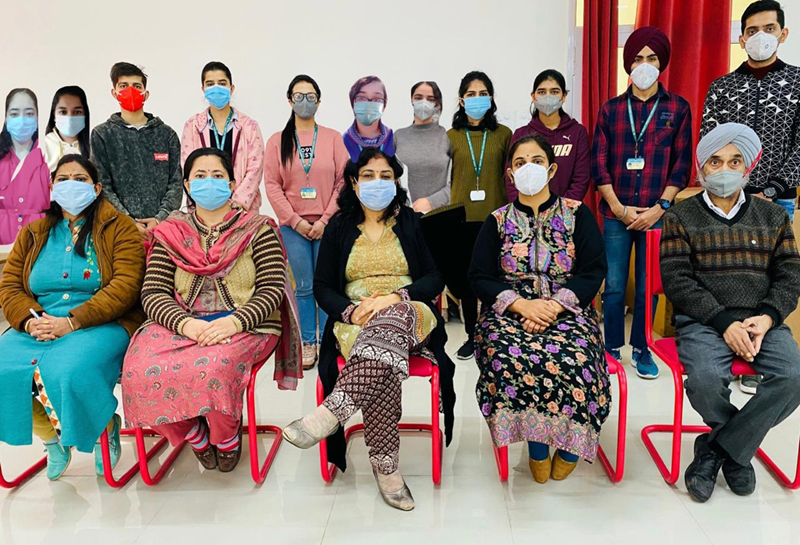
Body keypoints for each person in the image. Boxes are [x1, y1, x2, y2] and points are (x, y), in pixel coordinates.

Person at [282, 148, 456, 512]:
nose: (378, 183)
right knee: (383, 365)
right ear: (353, 182)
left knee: (391, 322)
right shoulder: (340, 227)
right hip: (356, 319)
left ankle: (331, 413)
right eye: (369, 175)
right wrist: (349, 310)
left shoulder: (408, 220)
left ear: (396, 181)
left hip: (410, 311)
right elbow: (323, 286)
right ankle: (386, 469)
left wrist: (395, 296)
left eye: (386, 176)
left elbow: (434, 276)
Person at [122, 148, 302, 474]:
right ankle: (192, 431)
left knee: (215, 367)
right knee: (136, 369)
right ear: (187, 185)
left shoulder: (257, 227)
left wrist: (235, 322)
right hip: (182, 323)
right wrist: (186, 324)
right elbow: (153, 293)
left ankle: (226, 437)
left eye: (218, 176)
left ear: (232, 184)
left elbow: (272, 289)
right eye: (200, 176)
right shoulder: (171, 232)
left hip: (248, 324)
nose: (209, 182)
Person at [660, 123, 800, 503]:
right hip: (705, 321)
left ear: (747, 166)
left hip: (762, 321)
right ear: (702, 169)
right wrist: (724, 323)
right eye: (716, 161)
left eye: (734, 161)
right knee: (704, 378)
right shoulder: (680, 217)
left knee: (794, 374)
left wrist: (768, 317)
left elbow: (791, 275)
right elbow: (678, 282)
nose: (725, 169)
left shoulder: (773, 217)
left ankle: (718, 449)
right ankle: (739, 451)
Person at [470, 135, 610, 483]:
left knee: (577, 359)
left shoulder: (578, 214)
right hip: (509, 310)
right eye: (520, 163)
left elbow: (593, 270)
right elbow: (479, 276)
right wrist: (519, 305)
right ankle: (535, 444)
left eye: (536, 161)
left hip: (567, 309)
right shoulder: (497, 221)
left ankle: (568, 447)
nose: (527, 168)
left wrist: (553, 307)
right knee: (510, 356)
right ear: (509, 173)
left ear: (550, 170)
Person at [0, 154, 145, 480]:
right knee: (4, 372)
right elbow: (9, 286)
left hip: (102, 323)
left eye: (80, 180)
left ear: (96, 188)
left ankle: (102, 428)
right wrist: (27, 320)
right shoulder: (34, 233)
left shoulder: (119, 227)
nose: (71, 186)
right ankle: (52, 440)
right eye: (63, 180)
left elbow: (126, 285)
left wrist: (73, 321)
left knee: (68, 370)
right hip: (37, 325)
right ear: (51, 188)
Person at [700, 0, 799, 395]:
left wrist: (772, 190)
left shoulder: (796, 83)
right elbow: (710, 145)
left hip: (776, 202)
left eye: (769, 29)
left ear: (783, 34)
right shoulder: (723, 87)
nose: (761, 37)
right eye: (753, 30)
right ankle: (727, 345)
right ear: (742, 39)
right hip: (725, 197)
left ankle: (760, 349)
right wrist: (727, 185)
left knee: (768, 276)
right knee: (726, 274)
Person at [592, 26, 692, 379]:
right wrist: (618, 208)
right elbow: (598, 163)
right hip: (616, 213)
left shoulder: (677, 108)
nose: (645, 64)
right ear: (627, 64)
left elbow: (681, 165)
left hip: (657, 214)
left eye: (651, 58)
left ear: (661, 63)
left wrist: (659, 209)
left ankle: (642, 349)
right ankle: (611, 348)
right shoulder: (611, 110)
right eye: (638, 58)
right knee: (616, 283)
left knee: (648, 285)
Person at [264, 74, 348, 370]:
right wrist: (296, 221)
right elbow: (272, 185)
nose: (305, 102)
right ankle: (308, 342)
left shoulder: (333, 138)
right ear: (289, 101)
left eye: (310, 96)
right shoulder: (277, 141)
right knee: (303, 286)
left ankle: (329, 340)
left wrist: (326, 219)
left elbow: (343, 181)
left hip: (329, 225)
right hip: (293, 227)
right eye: (299, 96)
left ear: (319, 101)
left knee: (326, 285)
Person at [448, 71, 512, 360]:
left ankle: (490, 334)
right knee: (467, 281)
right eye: (471, 94)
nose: (477, 99)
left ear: (492, 98)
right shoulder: (450, 137)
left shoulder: (504, 135)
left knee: (492, 278)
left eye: (482, 93)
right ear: (461, 100)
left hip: (494, 217)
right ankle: (471, 336)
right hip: (460, 218)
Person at [91, 62, 183, 238]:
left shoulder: (166, 134)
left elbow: (176, 182)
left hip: (162, 230)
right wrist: (128, 221)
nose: (130, 91)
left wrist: (159, 219)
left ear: (146, 94)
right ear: (114, 92)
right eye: (123, 86)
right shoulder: (102, 134)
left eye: (136, 86)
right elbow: (103, 185)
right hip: (119, 229)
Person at [181, 61, 265, 211]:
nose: (216, 88)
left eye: (222, 83)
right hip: (203, 209)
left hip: (242, 210)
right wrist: (204, 201)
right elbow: (188, 166)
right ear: (203, 89)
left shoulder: (249, 126)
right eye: (210, 84)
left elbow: (255, 168)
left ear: (231, 88)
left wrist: (236, 203)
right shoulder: (192, 125)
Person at [507, 69, 591, 201]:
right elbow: (511, 178)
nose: (548, 96)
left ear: (563, 97)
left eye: (554, 92)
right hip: (527, 211)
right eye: (541, 92)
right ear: (533, 97)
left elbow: (581, 178)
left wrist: (562, 210)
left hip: (566, 212)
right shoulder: (521, 134)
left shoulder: (577, 133)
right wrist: (522, 208)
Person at [0, 88, 50, 244]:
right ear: (6, 119)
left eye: (29, 114)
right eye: (14, 114)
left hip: (42, 246)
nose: (22, 120)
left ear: (37, 118)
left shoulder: (49, 157)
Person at [394, 81, 452, 213]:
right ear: (412, 100)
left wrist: (432, 202)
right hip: (403, 215)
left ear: (437, 104)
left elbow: (458, 181)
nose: (423, 102)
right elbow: (390, 176)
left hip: (439, 214)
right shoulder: (398, 136)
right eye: (418, 98)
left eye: (430, 99)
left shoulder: (447, 136)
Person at [342, 76, 395, 161]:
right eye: (362, 98)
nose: (369, 104)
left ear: (384, 106)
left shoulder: (394, 140)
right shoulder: (343, 142)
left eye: (377, 99)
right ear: (353, 104)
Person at [43, 86, 91, 172]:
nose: (69, 117)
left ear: (85, 115)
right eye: (63, 112)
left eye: (77, 112)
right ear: (54, 115)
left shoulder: (96, 147)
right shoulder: (40, 148)